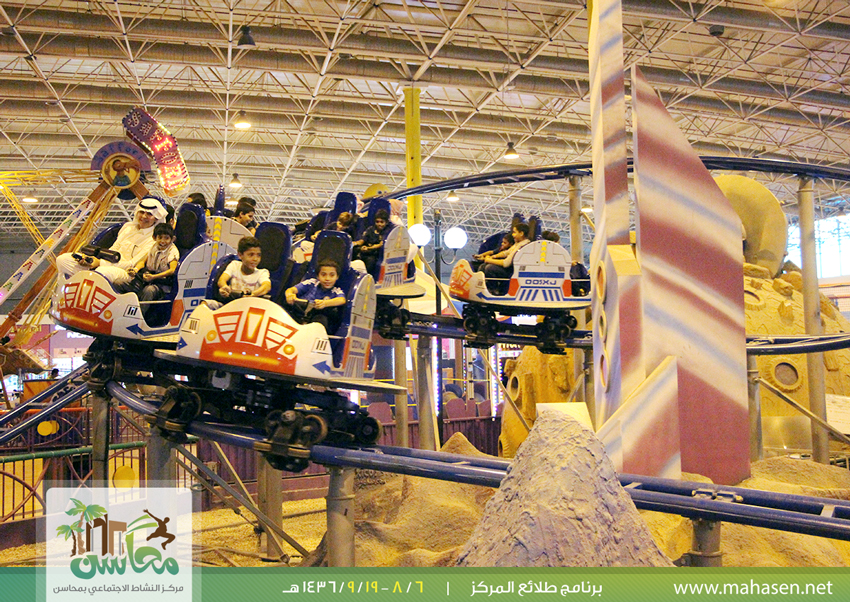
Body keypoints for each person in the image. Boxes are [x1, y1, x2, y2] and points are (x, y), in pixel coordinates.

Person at [56, 197, 167, 287]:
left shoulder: (154, 239)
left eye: (149, 214)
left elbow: (131, 264)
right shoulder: (127, 227)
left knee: (102, 272)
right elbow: (113, 250)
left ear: (156, 218)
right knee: (63, 260)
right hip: (106, 262)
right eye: (141, 212)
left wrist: (99, 263)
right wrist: (91, 260)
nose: (144, 216)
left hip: (126, 273)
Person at [119, 223, 180, 312]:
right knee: (120, 283)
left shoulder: (172, 251)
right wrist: (135, 270)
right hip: (147, 279)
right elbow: (143, 261)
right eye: (160, 238)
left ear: (172, 239)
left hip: (161, 285)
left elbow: (172, 270)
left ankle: (139, 315)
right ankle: (121, 311)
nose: (163, 241)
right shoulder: (153, 247)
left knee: (149, 290)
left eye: (166, 238)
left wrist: (154, 277)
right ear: (154, 238)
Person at [284, 258, 346, 332]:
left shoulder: (336, 291)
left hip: (317, 318)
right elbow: (291, 290)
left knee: (321, 320)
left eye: (332, 275)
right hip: (299, 314)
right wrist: (290, 295)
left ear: (337, 277)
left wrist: (325, 303)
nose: (327, 279)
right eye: (323, 275)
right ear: (318, 276)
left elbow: (342, 300)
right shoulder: (311, 283)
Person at [212, 236, 271, 307]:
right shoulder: (234, 265)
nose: (255, 259)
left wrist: (252, 294)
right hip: (231, 305)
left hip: (249, 308)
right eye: (251, 255)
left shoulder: (262, 273)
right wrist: (225, 287)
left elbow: (266, 287)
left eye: (258, 255)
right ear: (240, 255)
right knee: (206, 303)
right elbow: (221, 280)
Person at [480, 223, 530, 295]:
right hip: (510, 269)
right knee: (483, 266)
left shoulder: (523, 246)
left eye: (514, 232)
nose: (513, 235)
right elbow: (506, 253)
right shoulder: (518, 244)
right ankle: (483, 287)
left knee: (489, 268)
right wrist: (493, 257)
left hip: (512, 271)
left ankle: (494, 290)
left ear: (521, 233)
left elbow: (506, 263)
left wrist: (488, 260)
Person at [353, 209, 390, 275]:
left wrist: (368, 248)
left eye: (382, 222)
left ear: (386, 222)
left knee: (370, 260)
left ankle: (367, 276)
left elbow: (380, 244)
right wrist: (354, 243)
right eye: (377, 222)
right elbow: (362, 240)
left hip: (377, 255)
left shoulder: (387, 231)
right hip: (366, 251)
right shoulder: (370, 229)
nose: (379, 224)